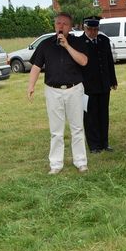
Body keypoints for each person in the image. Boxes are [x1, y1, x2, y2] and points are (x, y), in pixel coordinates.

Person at [27, 12, 90, 174]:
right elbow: (36, 66)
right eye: (58, 23)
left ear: (70, 26)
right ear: (55, 26)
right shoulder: (45, 44)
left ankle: (80, 161)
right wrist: (31, 85)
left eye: (64, 24)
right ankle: (55, 164)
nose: (61, 26)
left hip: (74, 89)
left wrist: (67, 46)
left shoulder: (77, 42)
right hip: (53, 91)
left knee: (77, 128)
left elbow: (83, 61)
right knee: (56, 130)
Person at [77, 16, 118, 153]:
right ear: (85, 28)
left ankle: (104, 143)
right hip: (87, 87)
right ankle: (94, 145)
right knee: (90, 117)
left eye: (96, 29)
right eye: (90, 30)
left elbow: (108, 62)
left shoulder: (103, 40)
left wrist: (113, 80)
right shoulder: (80, 42)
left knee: (103, 114)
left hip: (103, 84)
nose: (93, 32)